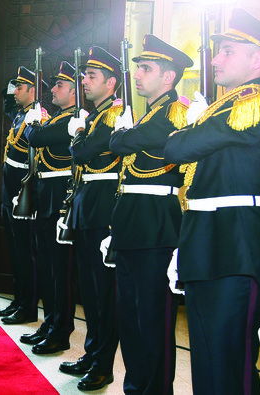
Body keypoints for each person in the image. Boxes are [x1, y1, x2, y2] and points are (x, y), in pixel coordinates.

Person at [164, 9, 260, 395]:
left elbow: (177, 147)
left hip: (234, 247)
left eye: (227, 51)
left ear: (258, 59)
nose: (216, 60)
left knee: (229, 362)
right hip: (204, 240)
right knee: (204, 357)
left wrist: (195, 124)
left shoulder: (257, 106)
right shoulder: (226, 108)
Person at [109, 35, 193, 394]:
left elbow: (120, 143)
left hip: (157, 227)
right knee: (129, 318)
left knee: (153, 322)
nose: (138, 74)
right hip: (131, 223)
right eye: (138, 67)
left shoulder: (174, 113)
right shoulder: (150, 114)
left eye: (146, 69)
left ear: (169, 78)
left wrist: (124, 131)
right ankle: (135, 386)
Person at [60, 46, 121, 391]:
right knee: (89, 290)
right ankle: (92, 352)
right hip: (86, 204)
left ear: (111, 83)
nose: (84, 80)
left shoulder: (114, 115)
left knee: (102, 293)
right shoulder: (97, 115)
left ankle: (103, 365)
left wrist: (77, 135)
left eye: (91, 76)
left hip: (102, 209)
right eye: (84, 75)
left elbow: (82, 152)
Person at [21, 61, 77, 355]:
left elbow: (36, 138)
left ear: (74, 92)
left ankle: (61, 329)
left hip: (59, 197)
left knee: (59, 270)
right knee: (47, 267)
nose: (53, 89)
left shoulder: (74, 119)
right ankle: (50, 321)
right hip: (46, 196)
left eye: (60, 85)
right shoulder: (57, 117)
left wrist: (33, 123)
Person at [0, 66, 48, 325]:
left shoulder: (38, 117)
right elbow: (6, 101)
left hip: (24, 190)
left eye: (20, 87)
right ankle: (18, 300)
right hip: (10, 189)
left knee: (27, 252)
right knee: (15, 251)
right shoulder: (19, 114)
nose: (14, 91)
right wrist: (11, 87)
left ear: (33, 91)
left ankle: (28, 306)